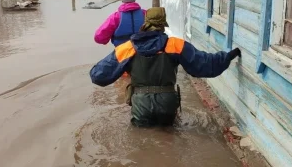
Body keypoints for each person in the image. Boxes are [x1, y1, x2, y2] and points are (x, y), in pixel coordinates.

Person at [90, 7, 241, 127]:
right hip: (168, 104)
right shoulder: (175, 45)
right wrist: (228, 56)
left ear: (145, 23)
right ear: (163, 25)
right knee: (169, 138)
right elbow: (205, 65)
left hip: (141, 105)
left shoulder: (128, 48)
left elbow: (98, 76)